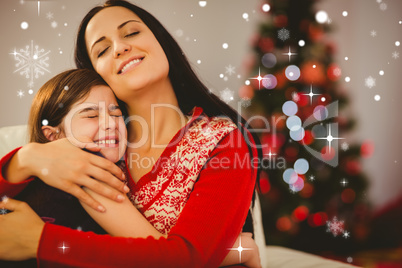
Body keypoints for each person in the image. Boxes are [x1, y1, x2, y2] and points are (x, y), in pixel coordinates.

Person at [0, 0, 262, 267]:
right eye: (102, 50)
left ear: (161, 42)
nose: (121, 47)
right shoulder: (95, 144)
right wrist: (27, 158)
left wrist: (42, 241)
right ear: (96, 76)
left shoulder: (222, 141)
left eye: (132, 33)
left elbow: (189, 259)